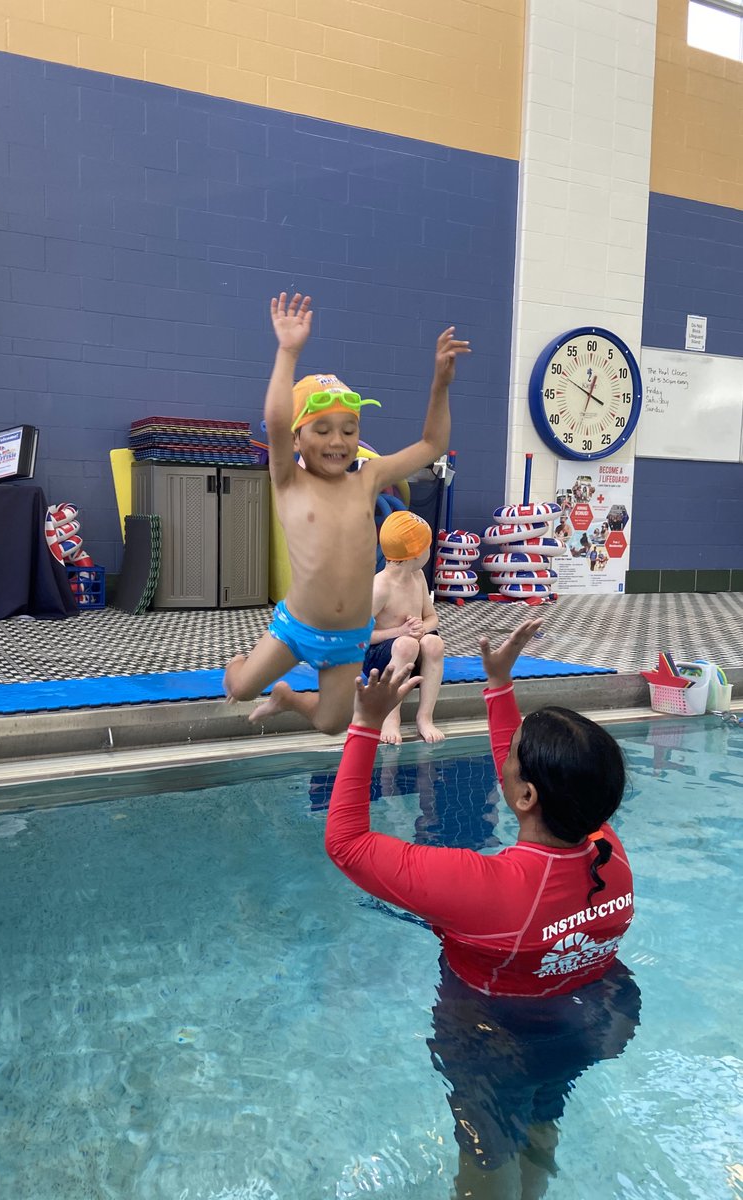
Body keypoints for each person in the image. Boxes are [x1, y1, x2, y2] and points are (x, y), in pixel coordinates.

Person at [325, 619, 639, 1199]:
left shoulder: (485, 889)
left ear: (526, 797)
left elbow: (346, 844)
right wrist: (498, 687)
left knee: (486, 1156)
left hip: (494, 1041)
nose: (507, 757)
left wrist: (366, 725)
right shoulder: (606, 850)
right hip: (582, 1024)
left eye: (516, 755)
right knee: (542, 1128)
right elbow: (523, 784)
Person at [224, 292, 469, 734]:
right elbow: (277, 420)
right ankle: (240, 666)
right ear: (297, 439)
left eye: (349, 429)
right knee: (240, 688)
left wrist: (440, 385)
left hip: (348, 638)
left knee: (331, 723)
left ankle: (287, 697)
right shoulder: (288, 480)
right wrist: (288, 352)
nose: (338, 440)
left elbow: (431, 446)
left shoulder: (368, 479)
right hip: (297, 625)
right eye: (322, 429)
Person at [361, 510, 445, 745]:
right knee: (407, 644)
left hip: (412, 652)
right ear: (415, 554)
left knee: (434, 642)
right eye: (427, 546)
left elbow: (432, 618)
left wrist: (422, 628)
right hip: (381, 660)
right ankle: (390, 718)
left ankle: (425, 717)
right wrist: (400, 633)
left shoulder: (417, 577)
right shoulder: (381, 587)